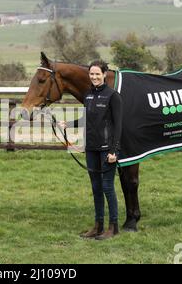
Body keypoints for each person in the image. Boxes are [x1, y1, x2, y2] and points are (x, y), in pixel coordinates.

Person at [59, 60, 123, 240]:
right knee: (95, 188)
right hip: (91, 148)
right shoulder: (87, 95)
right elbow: (85, 119)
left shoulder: (113, 96)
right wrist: (68, 125)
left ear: (104, 74)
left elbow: (118, 126)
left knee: (107, 187)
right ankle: (98, 225)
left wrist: (114, 151)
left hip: (106, 150)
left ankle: (113, 226)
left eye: (97, 74)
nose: (94, 77)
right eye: (91, 74)